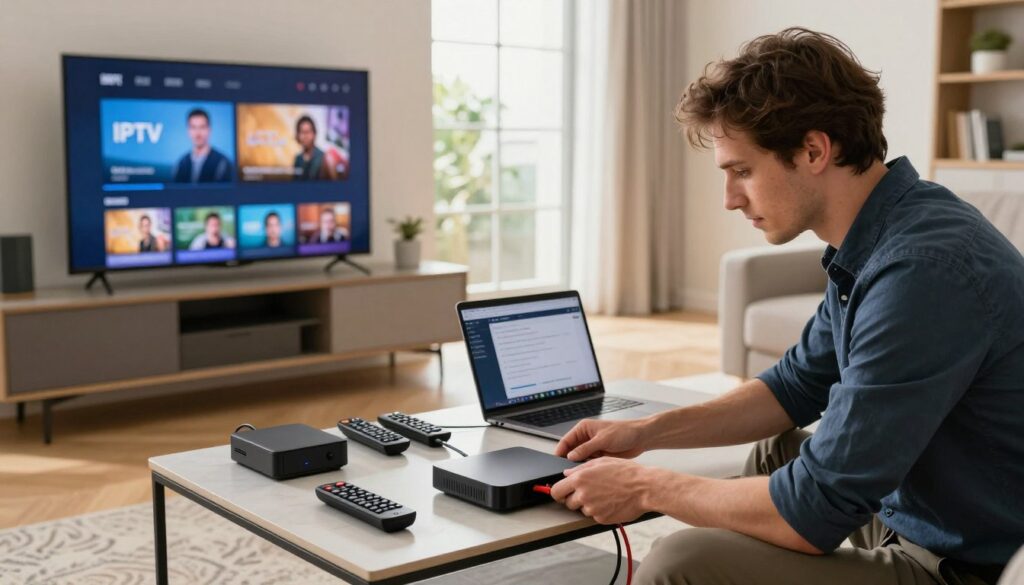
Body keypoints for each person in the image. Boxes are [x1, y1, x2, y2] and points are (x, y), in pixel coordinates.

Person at [550, 28, 1024, 585]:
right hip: (925, 509)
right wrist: (645, 432)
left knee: (681, 563)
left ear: (814, 150)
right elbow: (794, 387)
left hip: (965, 564)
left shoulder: (922, 272)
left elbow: (815, 508)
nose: (730, 199)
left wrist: (646, 486)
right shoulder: (882, 235)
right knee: (777, 453)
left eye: (742, 171)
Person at [173, 108, 233, 183]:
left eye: (202, 127)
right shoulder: (181, 164)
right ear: (188, 131)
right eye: (193, 127)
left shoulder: (223, 163)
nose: (198, 133)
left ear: (209, 130)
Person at [293, 115, 338, 181]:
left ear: (314, 133)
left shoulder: (324, 158)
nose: (305, 136)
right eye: (302, 132)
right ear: (298, 135)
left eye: (307, 132)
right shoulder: (298, 159)